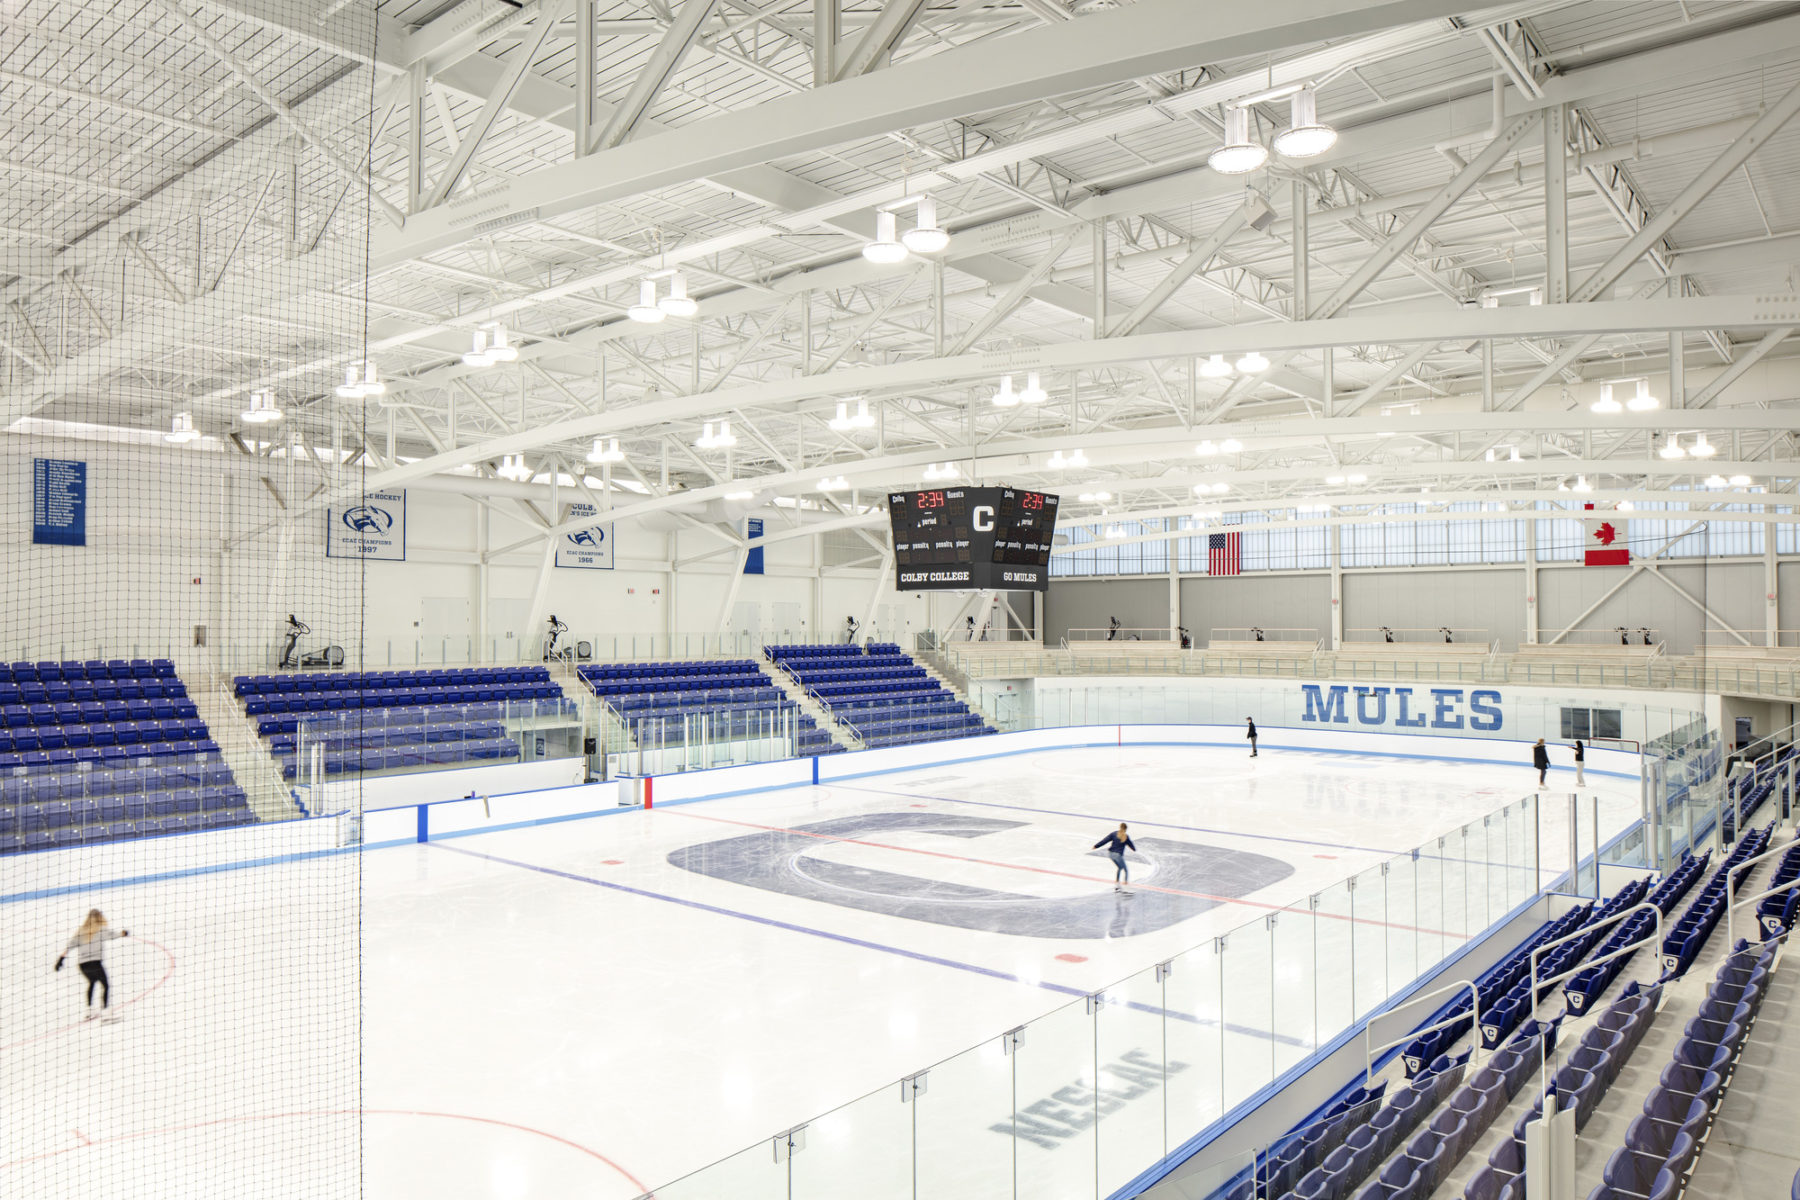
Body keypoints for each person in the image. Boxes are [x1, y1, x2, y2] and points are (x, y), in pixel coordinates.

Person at [55, 909, 128, 1020]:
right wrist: (123, 933)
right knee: (105, 985)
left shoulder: (81, 931)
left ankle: (89, 1011)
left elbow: (70, 945)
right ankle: (106, 1013)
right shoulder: (101, 930)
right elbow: (112, 935)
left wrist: (61, 959)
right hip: (95, 963)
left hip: (83, 965)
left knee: (92, 982)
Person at [1093, 823, 1137, 893]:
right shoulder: (1126, 836)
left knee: (1120, 868)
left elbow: (1105, 840)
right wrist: (1134, 849)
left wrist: (1096, 846)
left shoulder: (1114, 834)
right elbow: (1131, 845)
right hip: (1118, 855)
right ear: (1126, 829)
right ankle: (1126, 886)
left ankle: (1117, 885)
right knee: (1125, 870)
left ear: (1120, 827)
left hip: (1110, 854)